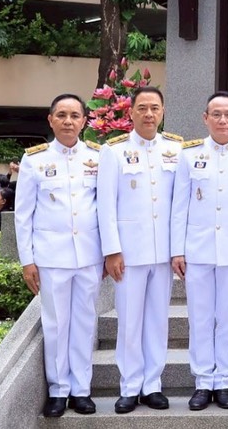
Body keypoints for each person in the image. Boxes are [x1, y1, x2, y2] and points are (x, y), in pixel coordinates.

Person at [171, 91, 228, 412]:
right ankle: (202, 382)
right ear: (205, 118)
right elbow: (178, 207)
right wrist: (176, 250)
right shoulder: (188, 156)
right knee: (199, 318)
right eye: (217, 114)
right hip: (196, 250)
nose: (223, 120)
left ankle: (223, 380)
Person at [16, 93, 106, 419]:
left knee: (84, 323)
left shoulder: (98, 156)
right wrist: (28, 260)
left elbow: (106, 209)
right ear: (50, 119)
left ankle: (81, 389)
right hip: (51, 257)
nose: (69, 121)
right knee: (56, 325)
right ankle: (58, 390)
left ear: (85, 121)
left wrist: (109, 253)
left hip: (90, 255)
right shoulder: (34, 160)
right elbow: (23, 215)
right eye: (62, 115)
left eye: (75, 115)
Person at [98, 84, 181, 414]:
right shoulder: (114, 151)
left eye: (155, 108)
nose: (149, 114)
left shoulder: (176, 149)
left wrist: (179, 250)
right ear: (130, 112)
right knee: (129, 321)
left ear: (162, 113)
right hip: (128, 255)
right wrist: (112, 250)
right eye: (143, 108)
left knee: (158, 321)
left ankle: (153, 385)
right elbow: (106, 205)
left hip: (164, 253)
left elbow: (180, 205)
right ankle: (130, 386)